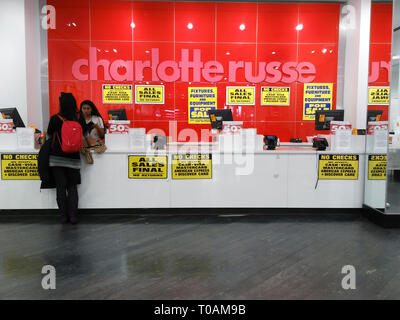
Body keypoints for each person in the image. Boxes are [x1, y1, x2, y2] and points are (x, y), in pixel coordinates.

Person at [47, 92, 83, 224]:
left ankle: (63, 216)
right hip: (73, 158)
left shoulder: (55, 118)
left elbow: (49, 137)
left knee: (60, 187)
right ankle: (73, 216)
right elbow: (82, 137)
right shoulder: (78, 118)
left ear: (61, 104)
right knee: (72, 187)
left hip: (57, 158)